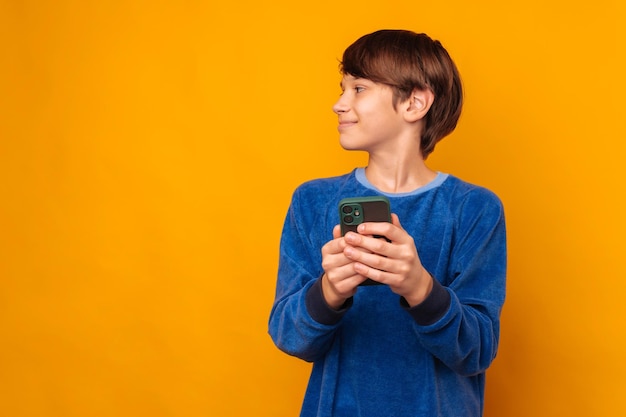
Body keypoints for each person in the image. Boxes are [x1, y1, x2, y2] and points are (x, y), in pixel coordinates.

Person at [268, 29, 507, 417]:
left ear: (415, 102)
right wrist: (329, 291)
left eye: (358, 89)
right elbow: (290, 337)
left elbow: (477, 350)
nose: (338, 104)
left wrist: (421, 287)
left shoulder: (474, 209)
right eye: (342, 88)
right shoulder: (313, 202)